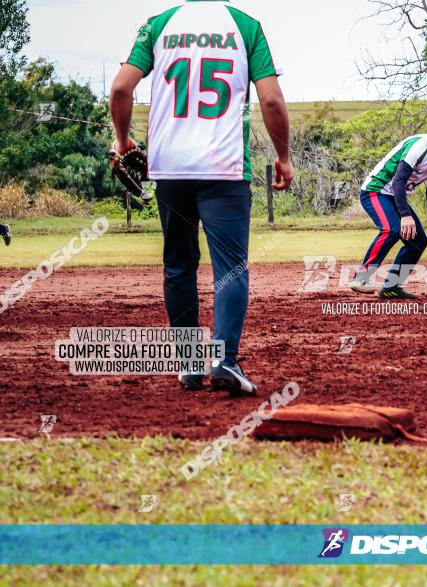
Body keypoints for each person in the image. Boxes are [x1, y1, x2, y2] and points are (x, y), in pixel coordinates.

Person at [109, 0, 292, 395]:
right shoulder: (246, 26)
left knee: (178, 266)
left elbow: (122, 87)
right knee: (230, 268)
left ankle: (191, 364)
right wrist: (283, 157)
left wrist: (123, 141)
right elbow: (272, 100)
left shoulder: (159, 24)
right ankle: (224, 360)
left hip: (170, 168)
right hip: (223, 169)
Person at [351, 117, 427, 299]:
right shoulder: (420, 146)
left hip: (395, 196)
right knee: (391, 229)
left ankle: (392, 288)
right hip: (376, 190)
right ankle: (361, 277)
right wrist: (405, 215)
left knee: (418, 242)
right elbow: (399, 180)